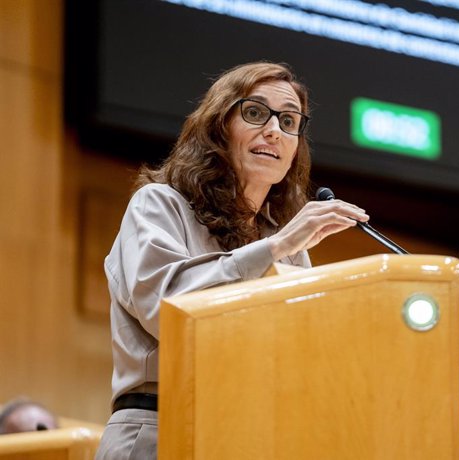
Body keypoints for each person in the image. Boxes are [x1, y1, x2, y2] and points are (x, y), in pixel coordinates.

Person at [94, 62, 369, 459]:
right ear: (219, 127)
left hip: (252, 437)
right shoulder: (158, 204)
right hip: (159, 432)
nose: (274, 130)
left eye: (289, 121)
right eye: (256, 113)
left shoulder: (286, 243)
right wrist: (274, 248)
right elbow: (169, 310)